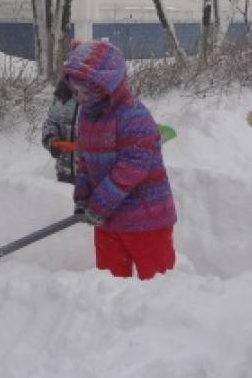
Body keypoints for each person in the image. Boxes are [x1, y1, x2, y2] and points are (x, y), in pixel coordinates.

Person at [63, 39, 176, 280]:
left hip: (147, 220)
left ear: (107, 87)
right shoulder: (88, 115)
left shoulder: (133, 116)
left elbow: (132, 168)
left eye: (86, 92)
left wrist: (99, 204)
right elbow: (85, 160)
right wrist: (83, 198)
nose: (80, 98)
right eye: (76, 92)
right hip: (107, 221)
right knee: (109, 285)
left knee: (160, 284)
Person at [41, 39, 83, 183]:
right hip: (64, 174)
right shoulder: (62, 94)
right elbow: (51, 122)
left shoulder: (97, 96)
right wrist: (52, 140)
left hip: (90, 176)